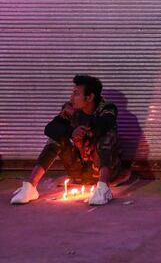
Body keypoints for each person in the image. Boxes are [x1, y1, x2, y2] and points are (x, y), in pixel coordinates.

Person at [10, 75, 125, 206]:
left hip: (105, 171)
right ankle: (30, 187)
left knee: (107, 134)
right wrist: (71, 132)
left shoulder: (107, 108)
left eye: (76, 94)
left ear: (90, 97)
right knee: (56, 136)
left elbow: (105, 124)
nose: (71, 98)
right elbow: (50, 128)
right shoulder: (69, 108)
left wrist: (83, 127)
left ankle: (103, 189)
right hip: (79, 172)